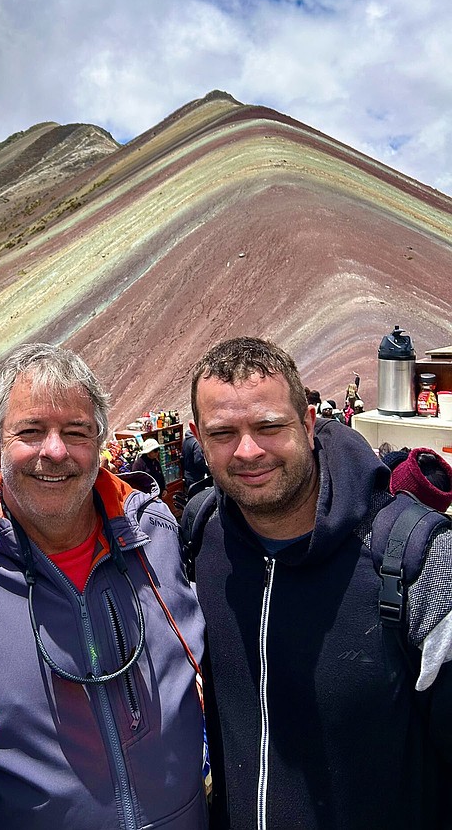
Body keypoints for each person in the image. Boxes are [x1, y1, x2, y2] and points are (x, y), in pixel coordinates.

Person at [184, 336, 452, 830]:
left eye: (269, 426)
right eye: (223, 433)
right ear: (200, 440)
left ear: (308, 424)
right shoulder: (202, 536)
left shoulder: (417, 558)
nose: (248, 451)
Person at [0, 342, 208, 830]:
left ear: (100, 443)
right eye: (31, 431)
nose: (55, 451)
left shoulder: (155, 536)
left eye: (77, 432)